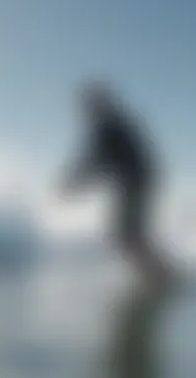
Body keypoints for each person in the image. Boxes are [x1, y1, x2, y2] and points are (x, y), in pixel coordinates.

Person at [59, 82, 171, 286]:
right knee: (125, 233)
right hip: (136, 181)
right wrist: (75, 182)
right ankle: (158, 273)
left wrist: (71, 183)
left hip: (136, 181)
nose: (86, 112)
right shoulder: (112, 125)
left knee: (126, 233)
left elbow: (94, 160)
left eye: (89, 106)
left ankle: (160, 276)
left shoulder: (108, 126)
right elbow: (97, 161)